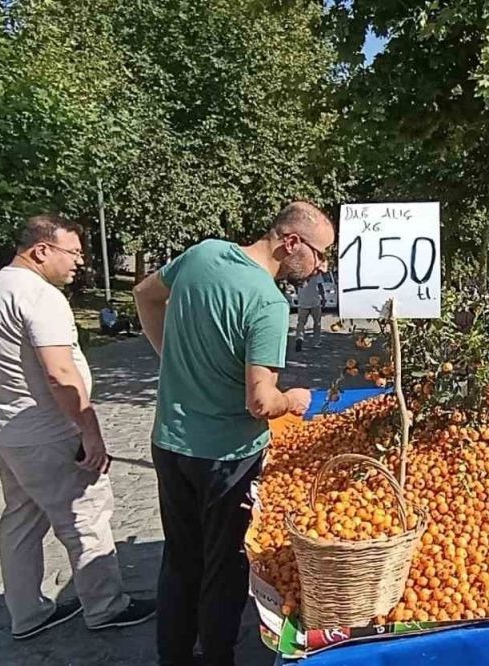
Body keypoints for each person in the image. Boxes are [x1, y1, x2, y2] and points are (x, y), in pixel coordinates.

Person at [133, 201, 333, 666]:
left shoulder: (203, 254)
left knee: (180, 556)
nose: (321, 266)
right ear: (291, 242)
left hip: (170, 441)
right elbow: (260, 401)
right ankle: (218, 654)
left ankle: (174, 655)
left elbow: (144, 295)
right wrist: (294, 399)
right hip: (227, 453)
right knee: (225, 562)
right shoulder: (267, 302)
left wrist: (172, 360)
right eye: (320, 254)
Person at [0, 214, 155, 641]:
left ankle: (26, 611)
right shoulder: (38, 296)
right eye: (73, 253)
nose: (80, 263)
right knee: (85, 516)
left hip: (2, 428)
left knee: (21, 518)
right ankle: (105, 606)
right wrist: (89, 428)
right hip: (46, 431)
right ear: (41, 250)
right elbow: (59, 372)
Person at [294, 271, 326, 352]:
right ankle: (316, 342)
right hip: (314, 301)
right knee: (317, 323)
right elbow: (320, 286)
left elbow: (295, 285)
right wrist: (323, 297)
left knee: (301, 322)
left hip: (303, 302)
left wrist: (299, 294)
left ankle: (299, 338)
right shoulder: (316, 272)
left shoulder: (300, 271)